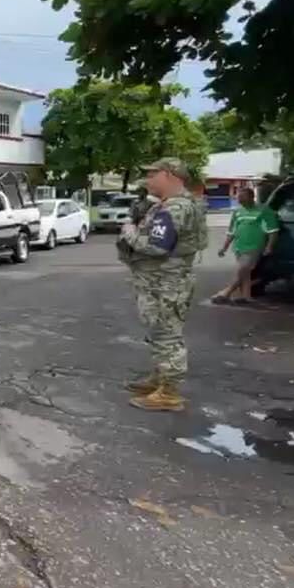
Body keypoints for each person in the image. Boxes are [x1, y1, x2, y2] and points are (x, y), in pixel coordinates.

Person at [117, 158, 208, 412]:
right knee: (158, 332)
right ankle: (159, 379)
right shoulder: (175, 205)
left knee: (167, 335)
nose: (148, 180)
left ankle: (169, 392)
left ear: (169, 175)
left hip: (165, 284)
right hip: (163, 282)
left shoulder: (175, 208)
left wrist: (130, 232)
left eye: (152, 174)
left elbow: (157, 246)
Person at [212, 188, 278, 305]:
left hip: (255, 246)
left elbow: (273, 231)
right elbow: (231, 232)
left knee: (243, 269)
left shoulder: (264, 211)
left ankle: (226, 292)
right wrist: (224, 247)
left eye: (242, 197)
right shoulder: (238, 212)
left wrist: (269, 246)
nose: (239, 199)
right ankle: (246, 297)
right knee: (245, 272)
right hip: (239, 247)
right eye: (238, 197)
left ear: (251, 197)